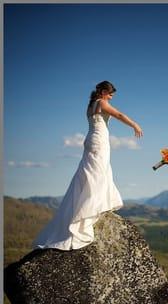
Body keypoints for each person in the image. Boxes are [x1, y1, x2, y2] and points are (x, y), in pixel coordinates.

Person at [33, 81, 143, 250]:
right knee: (97, 174)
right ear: (104, 92)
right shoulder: (101, 103)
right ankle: (88, 211)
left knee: (90, 173)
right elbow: (119, 115)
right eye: (111, 94)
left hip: (91, 140)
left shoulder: (90, 105)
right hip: (99, 142)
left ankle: (87, 207)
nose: (111, 97)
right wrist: (134, 124)